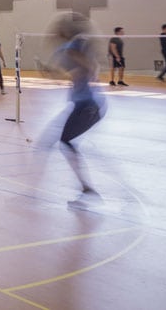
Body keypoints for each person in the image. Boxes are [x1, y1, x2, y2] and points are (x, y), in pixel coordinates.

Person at [50, 13, 105, 209]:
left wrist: (83, 70)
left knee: (65, 141)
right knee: (63, 141)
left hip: (89, 106)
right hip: (81, 105)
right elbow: (80, 71)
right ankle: (86, 187)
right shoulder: (67, 49)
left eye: (58, 29)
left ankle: (87, 187)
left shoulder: (74, 46)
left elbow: (90, 67)